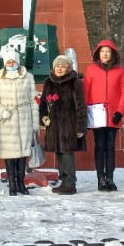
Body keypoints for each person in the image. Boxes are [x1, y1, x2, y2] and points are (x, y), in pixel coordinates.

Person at [0, 49, 39, 195]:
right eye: (9, 61)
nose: (11, 63)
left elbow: (34, 100)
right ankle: (12, 184)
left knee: (23, 153)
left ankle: (21, 183)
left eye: (14, 61)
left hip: (24, 121)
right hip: (7, 122)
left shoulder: (28, 77)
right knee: (10, 154)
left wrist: (35, 123)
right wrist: (1, 112)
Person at [83, 39, 124, 191]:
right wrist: (87, 112)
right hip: (97, 114)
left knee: (110, 147)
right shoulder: (91, 70)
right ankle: (100, 179)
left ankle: (110, 178)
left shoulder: (120, 70)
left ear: (112, 54)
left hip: (113, 115)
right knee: (100, 146)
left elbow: (123, 93)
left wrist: (119, 112)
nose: (105, 54)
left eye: (108, 51)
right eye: (102, 51)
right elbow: (86, 92)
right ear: (98, 53)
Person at [39, 55, 87, 195]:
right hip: (53, 125)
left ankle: (70, 183)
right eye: (57, 66)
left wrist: (80, 127)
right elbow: (43, 103)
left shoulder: (75, 82)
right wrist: (43, 118)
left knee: (67, 154)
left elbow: (80, 106)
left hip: (68, 125)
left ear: (68, 68)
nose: (60, 68)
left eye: (63, 66)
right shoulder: (49, 82)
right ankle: (63, 180)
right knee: (59, 154)